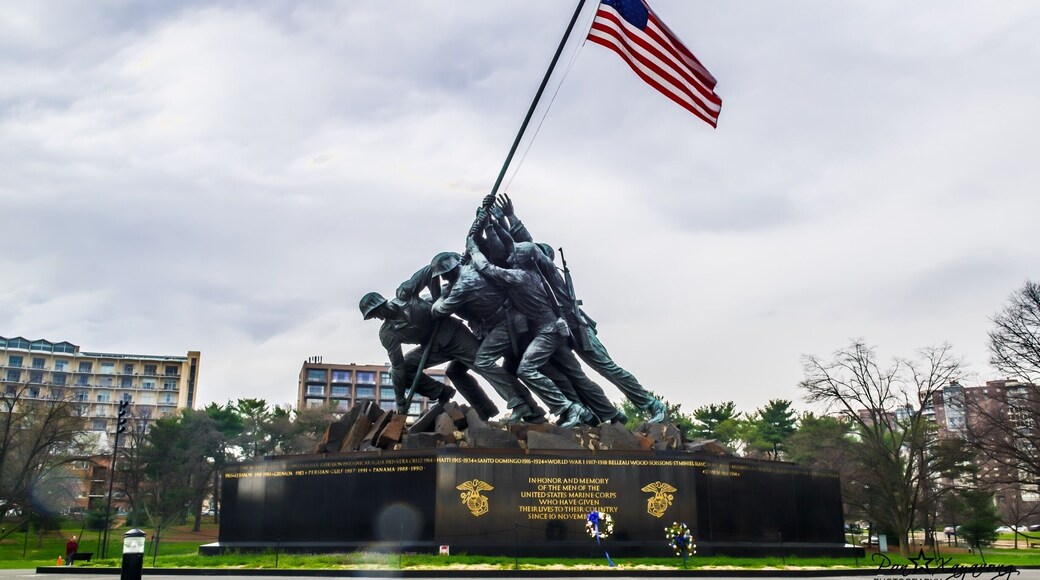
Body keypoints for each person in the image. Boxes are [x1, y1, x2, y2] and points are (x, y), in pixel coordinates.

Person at [495, 194, 667, 423]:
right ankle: (597, 415)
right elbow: (516, 247)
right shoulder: (530, 277)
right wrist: (495, 222)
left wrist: (509, 218)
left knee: (607, 368)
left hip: (577, 327)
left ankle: (652, 404)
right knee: (575, 376)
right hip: (559, 330)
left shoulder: (550, 274)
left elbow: (528, 244)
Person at [465, 236, 595, 428]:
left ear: (519, 259)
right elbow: (509, 244)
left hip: (547, 331)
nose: (509, 254)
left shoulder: (520, 276)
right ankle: (573, 409)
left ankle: (571, 408)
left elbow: (487, 269)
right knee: (554, 372)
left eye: (514, 254)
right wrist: (496, 223)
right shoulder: (531, 272)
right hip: (547, 329)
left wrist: (474, 249)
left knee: (527, 370)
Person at [360, 291, 500, 420]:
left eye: (375, 312)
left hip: (454, 336)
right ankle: (442, 393)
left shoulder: (411, 301)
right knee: (399, 371)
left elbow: (447, 294)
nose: (376, 317)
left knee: (483, 365)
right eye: (372, 316)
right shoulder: (386, 333)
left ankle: (516, 401)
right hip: (433, 348)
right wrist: (400, 400)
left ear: (381, 304)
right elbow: (398, 366)